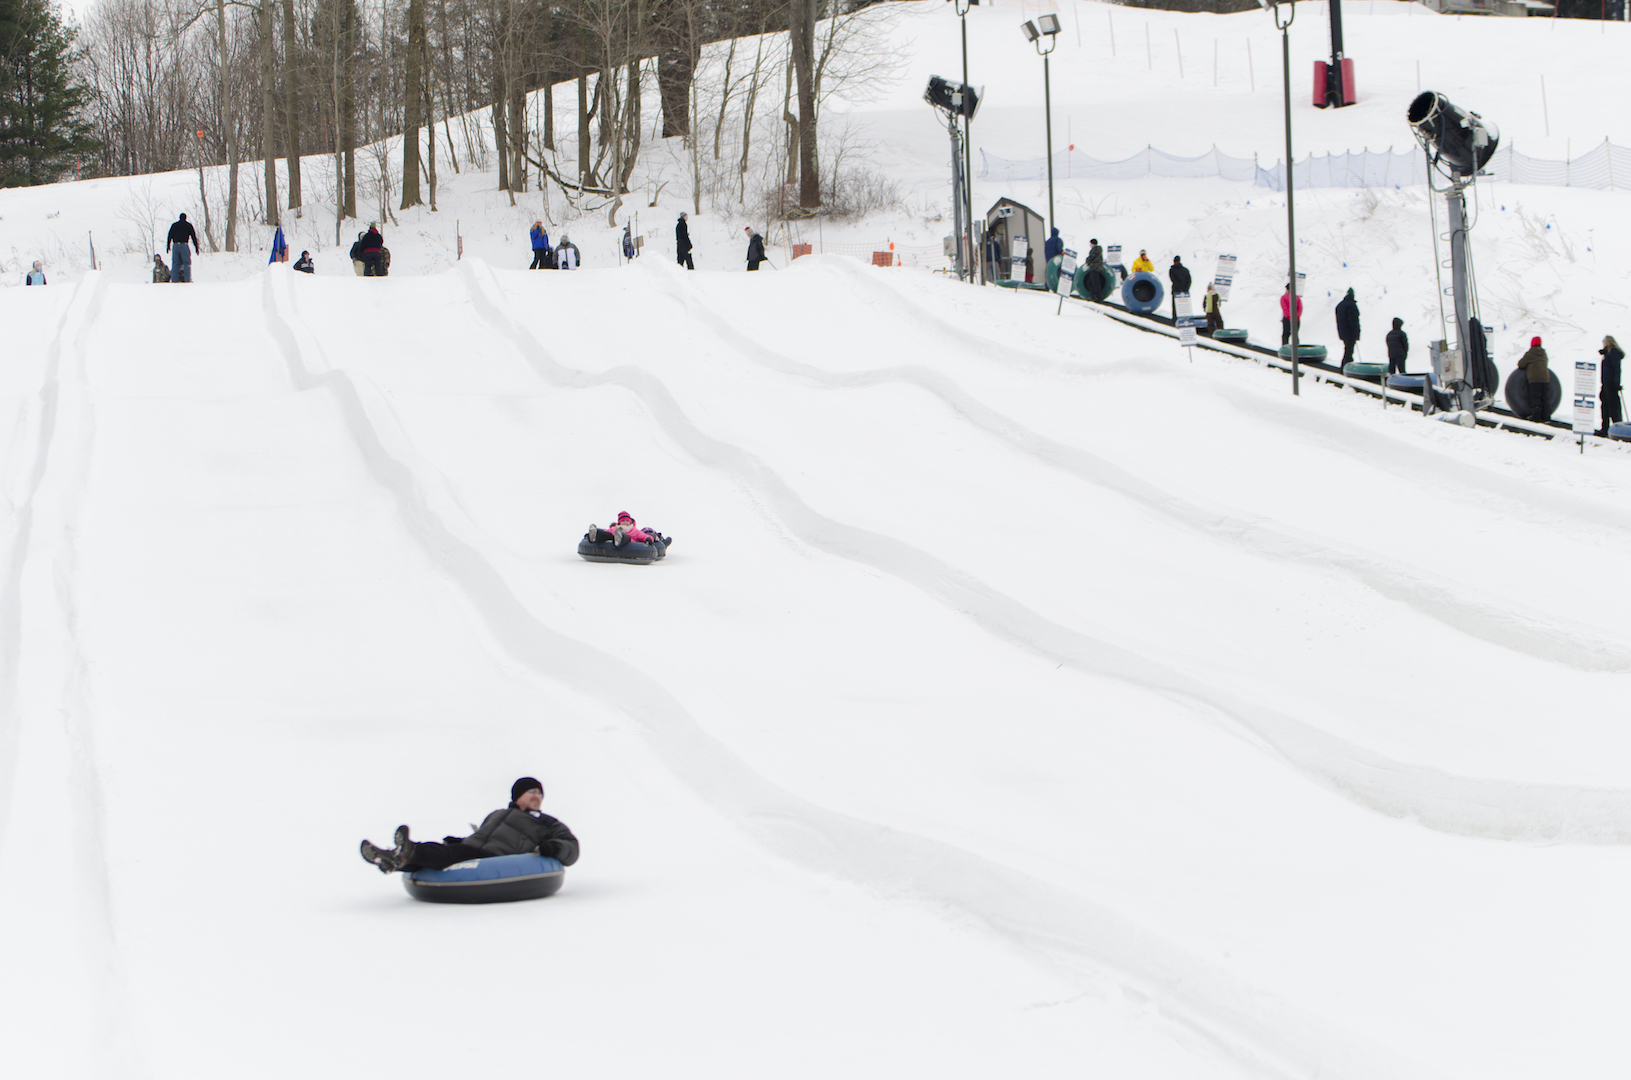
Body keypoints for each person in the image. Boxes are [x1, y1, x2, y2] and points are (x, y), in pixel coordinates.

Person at [360, 777, 579, 875]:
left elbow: (571, 847)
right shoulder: (497, 814)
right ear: (518, 796)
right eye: (532, 791)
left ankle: (409, 850)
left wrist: (555, 848)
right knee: (444, 854)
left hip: (497, 858)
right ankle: (394, 859)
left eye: (540, 793)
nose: (537, 796)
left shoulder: (546, 822)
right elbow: (483, 835)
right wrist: (462, 840)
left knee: (448, 854)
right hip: (474, 849)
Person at [1517, 336, 1550, 419]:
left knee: (1536, 398)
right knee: (1545, 398)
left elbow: (1521, 364)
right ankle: (1546, 417)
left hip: (1534, 379)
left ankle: (1536, 417)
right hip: (1545, 379)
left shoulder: (1530, 353)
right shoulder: (1544, 353)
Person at [1597, 335, 1624, 436]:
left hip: (1611, 384)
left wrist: (1616, 383)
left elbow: (1617, 369)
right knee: (1605, 406)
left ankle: (1618, 429)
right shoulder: (1608, 354)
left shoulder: (1614, 353)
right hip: (1605, 383)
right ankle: (1605, 428)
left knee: (1613, 406)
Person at [587, 511, 654, 548]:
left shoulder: (635, 531)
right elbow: (606, 531)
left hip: (629, 543)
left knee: (626, 537)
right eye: (623, 521)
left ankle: (619, 538)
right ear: (619, 522)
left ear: (630, 522)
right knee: (609, 535)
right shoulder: (615, 529)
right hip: (614, 539)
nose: (625, 522)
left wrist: (648, 539)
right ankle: (595, 534)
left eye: (627, 521)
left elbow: (645, 536)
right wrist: (589, 535)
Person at [167, 213, 200, 283]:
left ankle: (174, 280)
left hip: (175, 245)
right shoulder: (188, 225)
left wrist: (168, 246)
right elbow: (193, 237)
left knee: (176, 263)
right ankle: (187, 280)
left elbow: (169, 235)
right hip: (184, 245)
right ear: (185, 218)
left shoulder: (174, 225)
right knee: (186, 263)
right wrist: (196, 247)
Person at [1335, 287, 1362, 365]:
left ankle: (1347, 364)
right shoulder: (1352, 305)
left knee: (1348, 349)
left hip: (1342, 331)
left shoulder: (1340, 305)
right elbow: (1354, 320)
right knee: (1349, 350)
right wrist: (1356, 332)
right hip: (1350, 332)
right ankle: (1346, 366)